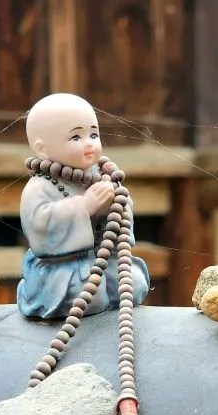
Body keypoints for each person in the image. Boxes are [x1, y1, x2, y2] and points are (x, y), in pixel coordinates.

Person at [16, 93, 150, 318]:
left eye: (94, 134)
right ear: (42, 148)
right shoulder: (39, 186)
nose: (89, 143)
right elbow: (40, 225)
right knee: (87, 296)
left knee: (134, 283)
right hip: (63, 268)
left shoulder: (100, 174)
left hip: (103, 257)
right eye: (76, 138)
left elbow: (123, 218)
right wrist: (85, 206)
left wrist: (115, 205)